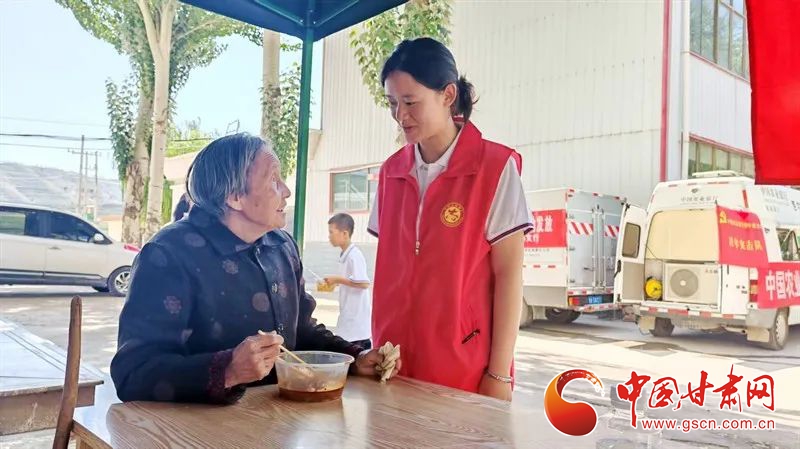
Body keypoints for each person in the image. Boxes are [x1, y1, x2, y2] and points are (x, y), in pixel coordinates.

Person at [110, 133, 399, 404]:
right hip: (194, 431)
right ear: (234, 196)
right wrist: (227, 370)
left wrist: (354, 357)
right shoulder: (168, 254)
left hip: (278, 422)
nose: (286, 191)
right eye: (273, 179)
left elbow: (300, 331)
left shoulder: (281, 246)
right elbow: (133, 374)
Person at [367, 38, 532, 401]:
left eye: (410, 102)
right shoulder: (391, 173)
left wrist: (498, 374)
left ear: (448, 95)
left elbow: (509, 275)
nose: (400, 115)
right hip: (392, 365)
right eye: (392, 103)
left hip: (463, 373)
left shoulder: (494, 168)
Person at [323, 213, 372, 350]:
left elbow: (363, 283)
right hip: (349, 314)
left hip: (356, 319)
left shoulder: (354, 255)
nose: (329, 236)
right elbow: (351, 280)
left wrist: (337, 279)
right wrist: (335, 282)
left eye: (331, 232)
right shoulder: (345, 254)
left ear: (344, 234)